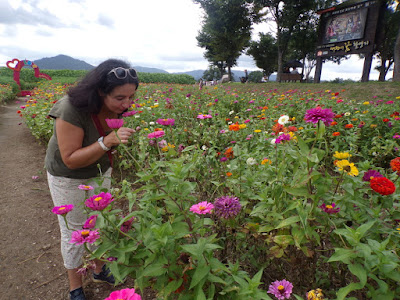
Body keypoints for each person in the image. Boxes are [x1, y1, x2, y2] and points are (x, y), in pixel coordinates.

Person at [45, 59, 139, 300]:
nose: (127, 104)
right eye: (120, 98)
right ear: (100, 91)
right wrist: (107, 142)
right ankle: (75, 286)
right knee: (75, 231)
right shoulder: (70, 109)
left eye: (131, 97)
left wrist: (114, 143)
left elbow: (106, 143)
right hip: (69, 176)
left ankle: (99, 270)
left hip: (98, 170)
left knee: (98, 223)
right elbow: (70, 159)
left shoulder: (116, 108)